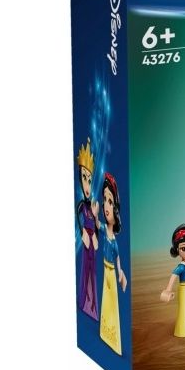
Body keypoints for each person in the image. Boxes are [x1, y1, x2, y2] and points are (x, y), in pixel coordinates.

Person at [97, 173, 127, 355]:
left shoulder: (114, 241)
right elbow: (96, 224)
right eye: (105, 200)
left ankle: (113, 338)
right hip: (105, 269)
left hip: (111, 272)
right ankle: (105, 331)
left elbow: (117, 258)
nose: (107, 206)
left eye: (110, 202)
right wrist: (94, 215)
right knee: (106, 301)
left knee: (112, 302)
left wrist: (120, 273)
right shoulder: (103, 229)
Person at [76, 138, 99, 320]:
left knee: (93, 270)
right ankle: (85, 301)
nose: (87, 184)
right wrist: (83, 231)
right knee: (86, 269)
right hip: (86, 240)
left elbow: (96, 225)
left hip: (93, 241)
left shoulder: (92, 207)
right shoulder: (82, 206)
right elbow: (79, 218)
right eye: (84, 178)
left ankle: (92, 305)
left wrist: (95, 233)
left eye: (89, 180)